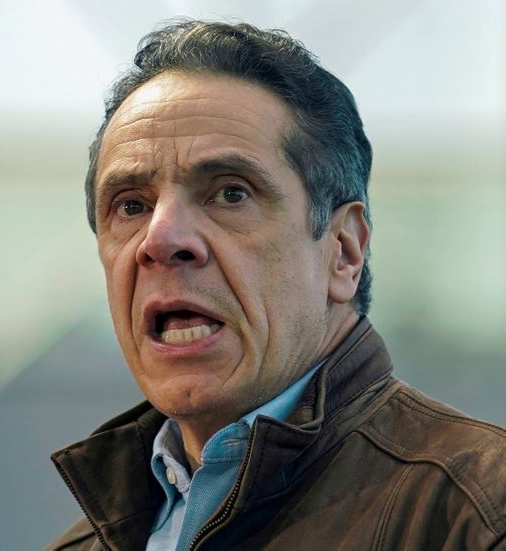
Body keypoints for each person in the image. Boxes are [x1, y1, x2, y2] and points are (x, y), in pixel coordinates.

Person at [46, 19, 506, 551]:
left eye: (230, 193)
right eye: (131, 205)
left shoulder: (477, 515)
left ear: (344, 251)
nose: (161, 239)